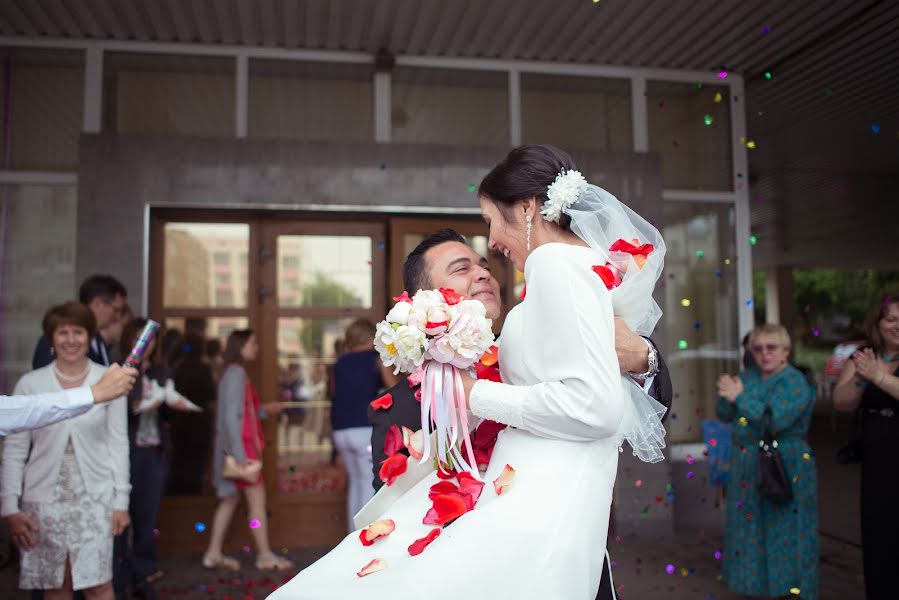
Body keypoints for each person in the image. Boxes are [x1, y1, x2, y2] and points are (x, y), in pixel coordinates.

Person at [269, 144, 668, 599]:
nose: (491, 250)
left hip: (538, 525)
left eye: (489, 226)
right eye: (463, 267)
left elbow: (597, 406)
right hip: (508, 530)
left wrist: (473, 394)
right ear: (426, 299)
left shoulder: (552, 272)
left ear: (526, 207)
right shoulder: (405, 400)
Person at [369, 228, 673, 600]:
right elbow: (397, 511)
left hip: (566, 557)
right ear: (424, 299)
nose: (483, 273)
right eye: (461, 268)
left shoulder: (537, 351)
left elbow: (622, 409)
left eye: (484, 265)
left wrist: (646, 359)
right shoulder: (400, 406)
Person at [1, 302, 131, 600]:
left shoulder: (109, 381)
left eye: (79, 332)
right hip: (44, 499)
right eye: (63, 332)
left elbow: (118, 443)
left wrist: (121, 500)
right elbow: (14, 451)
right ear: (51, 338)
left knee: (100, 585)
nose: (71, 339)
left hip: (95, 498)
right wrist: (9, 504)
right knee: (57, 586)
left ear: (90, 336)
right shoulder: (31, 384)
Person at [716, 323, 818, 600]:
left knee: (784, 530)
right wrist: (726, 393)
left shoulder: (795, 381)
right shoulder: (747, 377)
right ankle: (753, 589)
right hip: (746, 465)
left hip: (786, 465)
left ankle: (789, 592)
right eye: (758, 348)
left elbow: (775, 419)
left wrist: (740, 397)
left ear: (785, 351)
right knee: (747, 528)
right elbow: (725, 413)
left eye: (771, 347)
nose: (764, 354)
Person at [114, 319, 199, 599]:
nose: (146, 344)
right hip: (125, 452)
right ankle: (117, 576)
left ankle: (144, 574)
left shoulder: (162, 371)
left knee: (147, 517)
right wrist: (152, 398)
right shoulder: (120, 371)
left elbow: (168, 413)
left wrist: (172, 403)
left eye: (150, 339)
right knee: (118, 517)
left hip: (154, 452)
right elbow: (124, 411)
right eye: (140, 338)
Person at [203, 330, 294, 572]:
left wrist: (265, 410)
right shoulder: (237, 374)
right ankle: (264, 555)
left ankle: (213, 553)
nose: (256, 348)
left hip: (236, 448)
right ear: (240, 346)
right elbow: (234, 418)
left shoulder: (231, 374)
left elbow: (242, 412)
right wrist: (241, 457)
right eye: (253, 343)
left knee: (230, 499)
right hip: (243, 450)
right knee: (256, 505)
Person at [832, 297, 899, 600]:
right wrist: (861, 378)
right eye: (890, 319)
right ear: (878, 324)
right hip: (878, 460)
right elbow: (841, 403)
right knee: (878, 531)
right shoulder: (864, 355)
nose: (897, 326)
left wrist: (879, 376)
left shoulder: (876, 366)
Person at [331, 319, 400, 531]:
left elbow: (334, 395)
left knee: (355, 483)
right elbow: (394, 389)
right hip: (364, 428)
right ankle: (365, 536)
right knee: (369, 483)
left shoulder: (339, 363)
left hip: (340, 429)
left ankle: (352, 536)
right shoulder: (376, 359)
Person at [0, 365, 137, 436]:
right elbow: (14, 413)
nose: (71, 340)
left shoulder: (101, 373)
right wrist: (94, 393)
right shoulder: (29, 382)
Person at [32, 274, 128, 369]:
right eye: (116, 310)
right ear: (98, 303)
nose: (118, 317)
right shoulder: (56, 338)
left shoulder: (98, 339)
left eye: (78, 333)